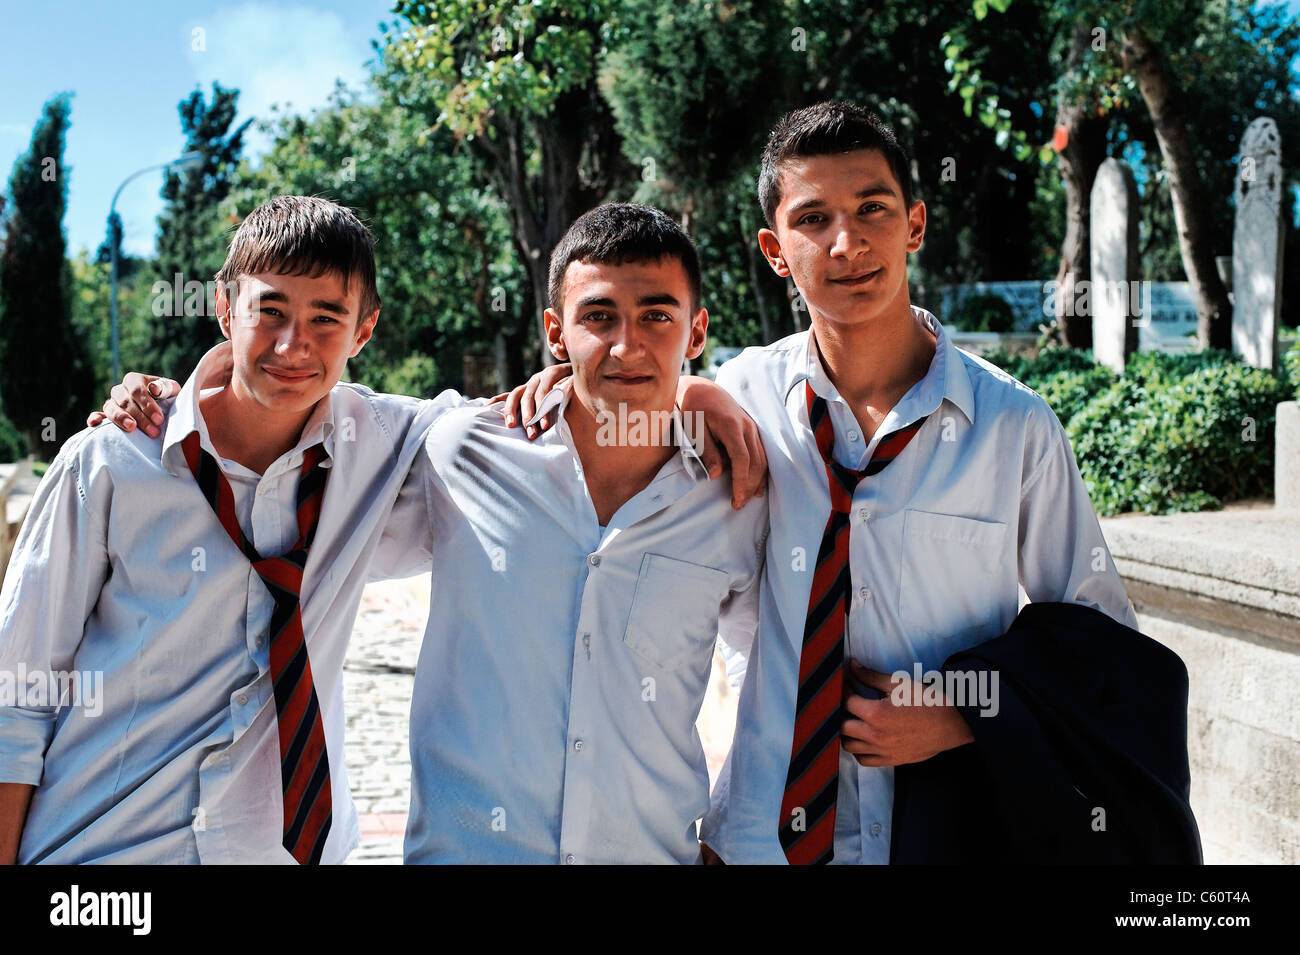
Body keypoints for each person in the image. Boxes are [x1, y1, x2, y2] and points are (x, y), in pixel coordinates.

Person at [696, 101, 1139, 864]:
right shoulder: (738, 401)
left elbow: (1101, 643)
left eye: (873, 207)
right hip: (760, 839)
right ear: (775, 249)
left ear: (916, 224)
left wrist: (968, 714)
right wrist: (661, 395)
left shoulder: (1012, 427)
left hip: (953, 834)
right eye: (813, 219)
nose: (847, 242)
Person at [0, 195, 474, 864]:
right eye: (269, 311)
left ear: (364, 330)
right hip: (102, 858)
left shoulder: (385, 450)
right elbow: (15, 696)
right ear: (225, 308)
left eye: (326, 317)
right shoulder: (112, 458)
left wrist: (673, 396)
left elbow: (526, 432)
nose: (293, 344)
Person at [403, 202, 769, 864]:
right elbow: (318, 417)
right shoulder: (462, 451)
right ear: (555, 330)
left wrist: (732, 832)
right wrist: (167, 394)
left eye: (657, 316)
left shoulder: (735, 494)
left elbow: (767, 681)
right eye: (598, 317)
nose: (627, 346)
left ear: (696, 333)